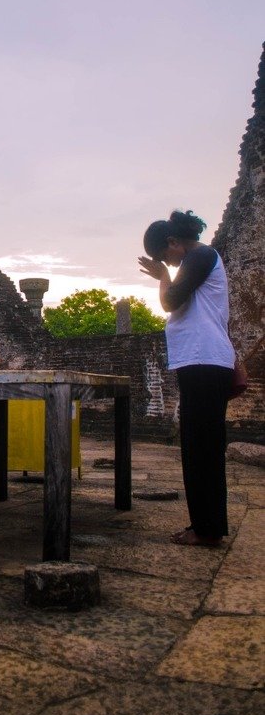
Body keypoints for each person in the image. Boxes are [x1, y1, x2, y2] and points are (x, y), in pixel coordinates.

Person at [138, 209, 235, 547]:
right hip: (201, 362)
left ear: (173, 242)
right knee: (198, 447)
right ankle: (205, 525)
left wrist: (163, 276)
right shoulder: (198, 259)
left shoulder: (201, 255)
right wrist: (166, 273)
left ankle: (206, 529)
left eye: (166, 256)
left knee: (202, 449)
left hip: (205, 362)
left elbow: (170, 301)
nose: (170, 263)